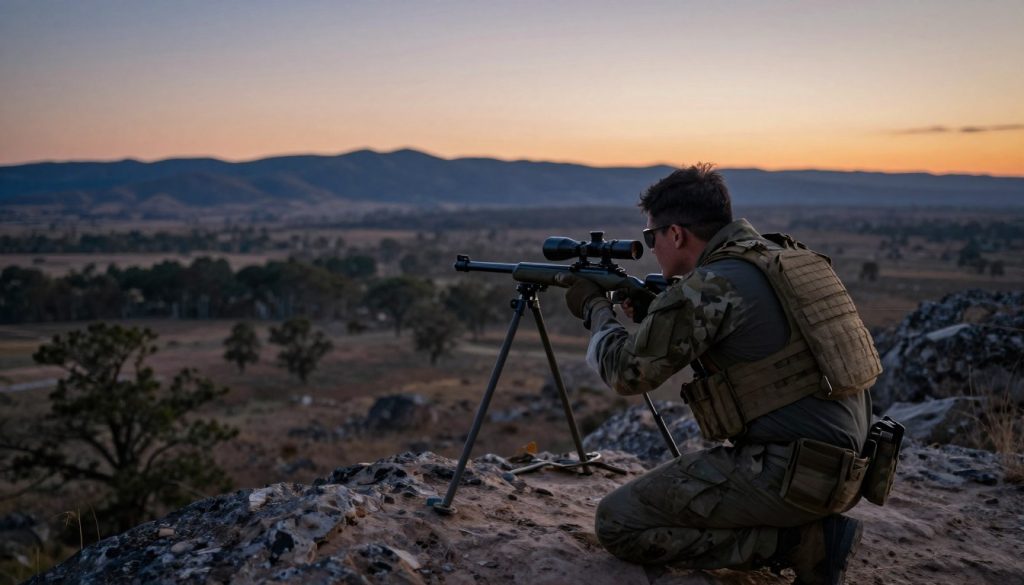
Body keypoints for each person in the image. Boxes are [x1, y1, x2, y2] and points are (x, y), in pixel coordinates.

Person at [557, 164, 881, 585]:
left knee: (619, 522)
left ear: (676, 234)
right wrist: (658, 308)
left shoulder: (711, 285)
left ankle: (801, 544)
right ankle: (802, 530)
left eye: (651, 236)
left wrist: (594, 309)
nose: (651, 248)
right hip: (847, 471)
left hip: (795, 478)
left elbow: (626, 374)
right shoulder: (783, 258)